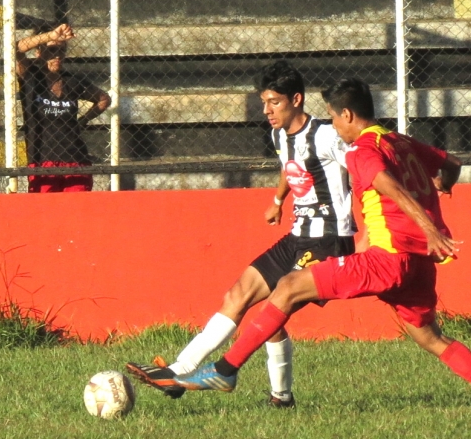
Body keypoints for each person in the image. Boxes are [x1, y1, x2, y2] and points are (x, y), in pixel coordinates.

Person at [173, 77, 471, 411]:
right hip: (419, 266)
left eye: (334, 116)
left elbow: (390, 187)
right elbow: (452, 163)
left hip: (388, 259)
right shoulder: (399, 140)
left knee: (289, 286)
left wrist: (430, 227)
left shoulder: (361, 151)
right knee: (430, 338)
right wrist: (443, 185)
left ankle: (224, 371)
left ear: (349, 115)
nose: (333, 125)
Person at [126, 60, 357, 407]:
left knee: (278, 302)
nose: (266, 110)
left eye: (274, 102)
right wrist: (278, 199)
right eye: (263, 102)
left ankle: (196, 374)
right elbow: (289, 167)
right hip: (297, 235)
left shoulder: (326, 136)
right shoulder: (279, 134)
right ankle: (267, 394)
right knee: (239, 293)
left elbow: (365, 169)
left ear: (296, 99)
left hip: (329, 239)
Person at [16, 24, 110, 192]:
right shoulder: (30, 76)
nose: (57, 56)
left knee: (78, 212)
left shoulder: (72, 80)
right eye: (52, 51)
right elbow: (16, 49)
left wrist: (83, 121)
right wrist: (50, 35)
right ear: (39, 52)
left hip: (75, 157)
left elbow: (103, 99)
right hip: (42, 158)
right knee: (45, 212)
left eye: (61, 51)